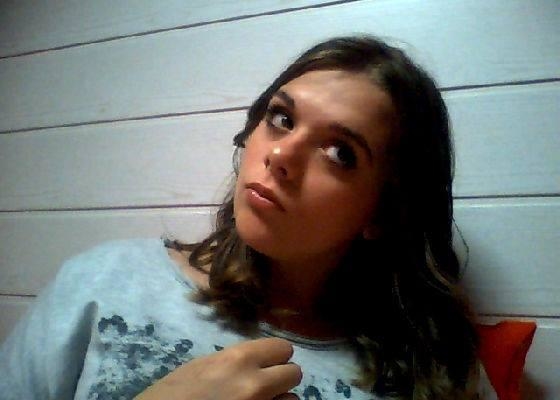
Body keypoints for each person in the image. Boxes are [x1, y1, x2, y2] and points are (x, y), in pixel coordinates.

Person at [0, 36, 482, 399]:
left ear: (383, 212)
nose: (281, 154)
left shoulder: (432, 372)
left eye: (339, 152)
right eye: (282, 119)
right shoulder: (105, 282)